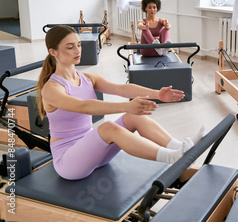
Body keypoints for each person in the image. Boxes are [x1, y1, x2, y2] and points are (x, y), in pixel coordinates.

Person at [36, 25, 206, 180]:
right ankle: (171, 157)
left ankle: (180, 148)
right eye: (69, 47)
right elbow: (83, 106)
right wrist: (126, 105)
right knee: (108, 127)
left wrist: (157, 94)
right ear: (53, 52)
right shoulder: (51, 88)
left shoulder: (87, 78)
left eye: (79, 45)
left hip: (93, 151)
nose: (77, 50)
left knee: (133, 117)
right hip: (69, 162)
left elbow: (121, 89)